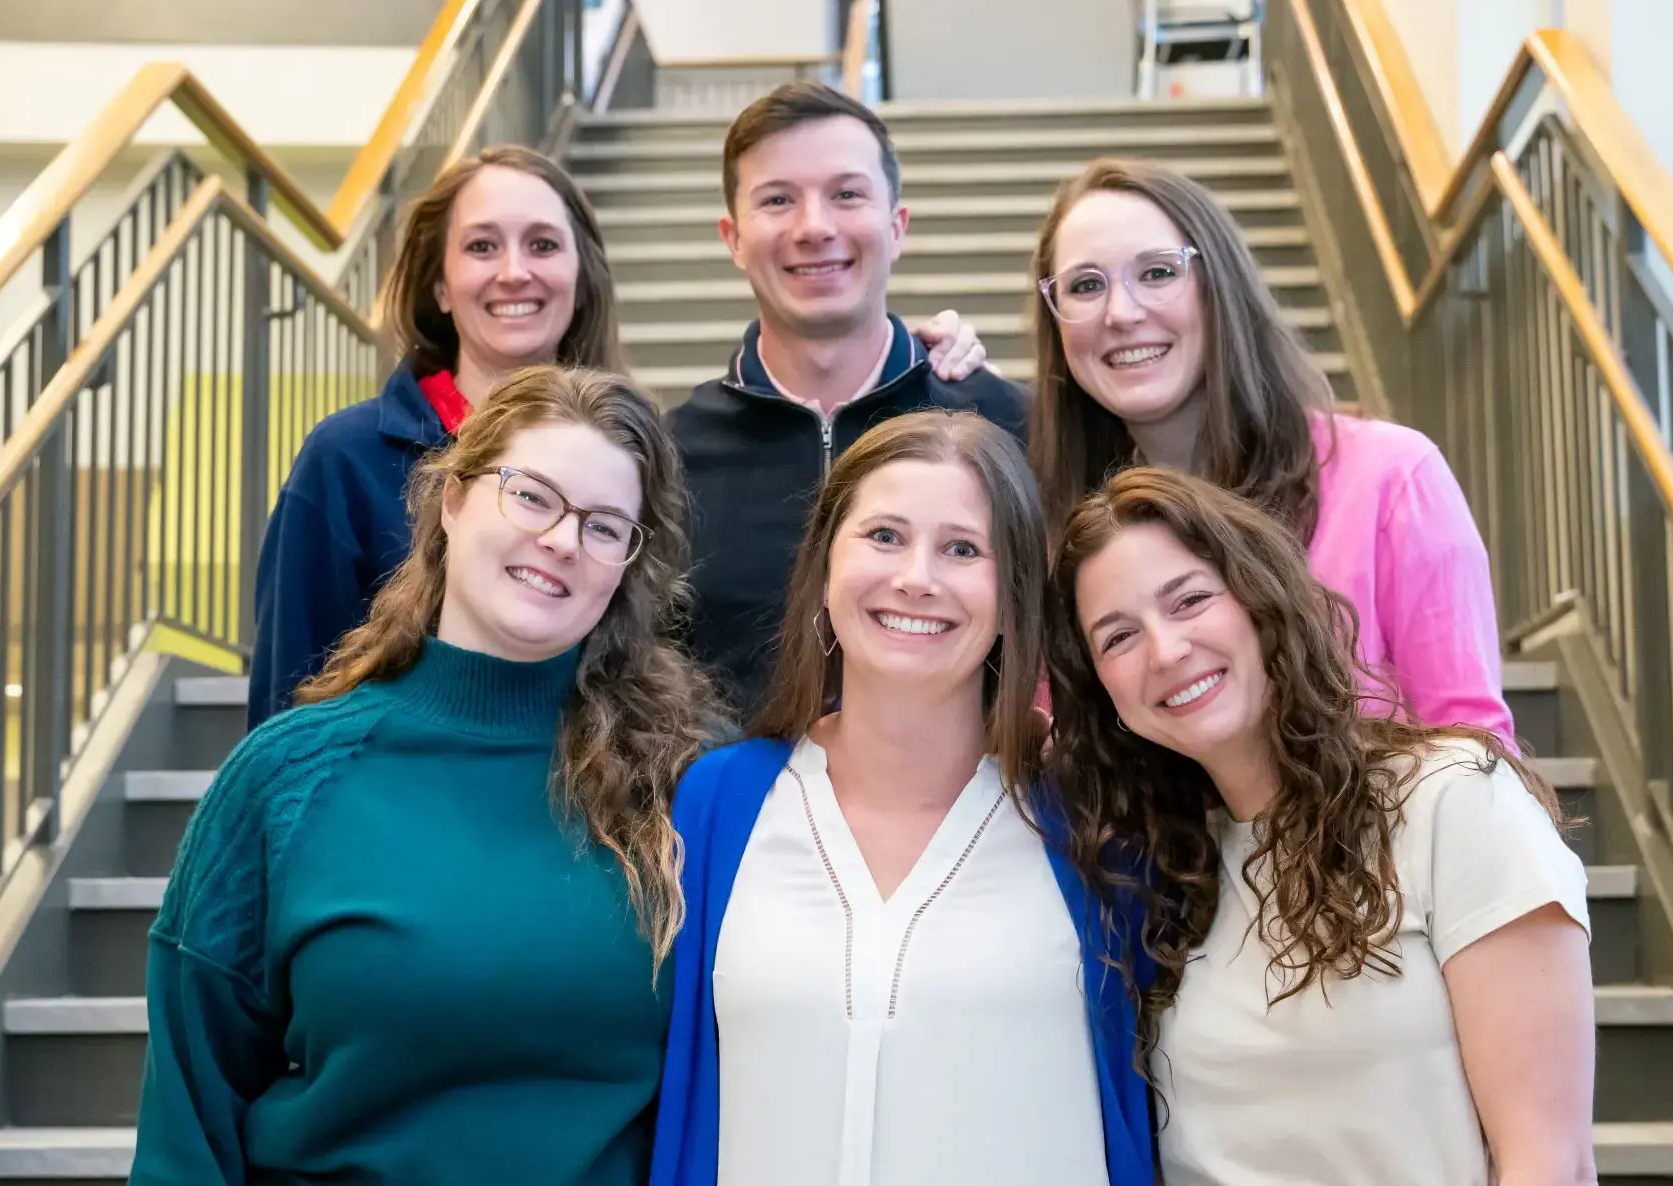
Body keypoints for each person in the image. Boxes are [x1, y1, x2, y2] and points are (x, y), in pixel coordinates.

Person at [134, 367, 717, 1185]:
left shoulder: (691, 786)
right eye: (532, 496)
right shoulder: (285, 778)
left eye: (604, 525)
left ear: (626, 564)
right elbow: (186, 1128)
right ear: (452, 501)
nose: (560, 540)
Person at [245, 145, 988, 726]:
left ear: (580, 272)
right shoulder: (348, 460)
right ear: (439, 284)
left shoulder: (641, 455)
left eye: (542, 245)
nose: (514, 273)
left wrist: (932, 354)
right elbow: (290, 697)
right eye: (480, 248)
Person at [1045, 467, 1595, 1186]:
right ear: (1102, 690)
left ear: (1261, 599)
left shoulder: (1450, 800)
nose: (1166, 650)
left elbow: (1549, 1163)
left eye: (1190, 601)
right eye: (1118, 637)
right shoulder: (1160, 869)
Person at [652, 411, 1154, 1186]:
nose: (917, 576)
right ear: (825, 564)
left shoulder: (1090, 811)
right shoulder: (721, 802)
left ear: (1012, 591)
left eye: (962, 549)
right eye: (884, 536)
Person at [1027, 157, 1514, 742]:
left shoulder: (1391, 478)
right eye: (1085, 285)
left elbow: (1476, 749)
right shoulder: (1063, 538)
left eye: (1157, 273)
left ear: (1220, 286)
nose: (1122, 313)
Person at [672, 82, 1026, 713]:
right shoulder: (669, 457)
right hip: (737, 803)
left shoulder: (1009, 425)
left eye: (846, 194)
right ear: (733, 238)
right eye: (778, 199)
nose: (815, 227)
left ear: (897, 226)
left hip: (977, 803)